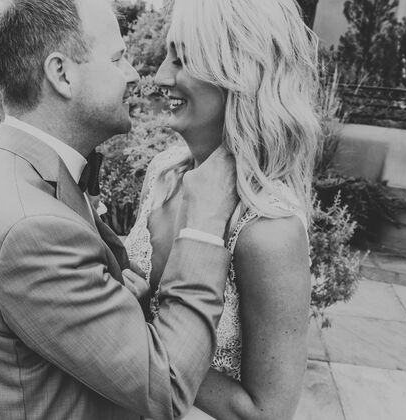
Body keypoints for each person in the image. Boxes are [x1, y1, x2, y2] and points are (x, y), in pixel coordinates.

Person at [0, 0, 239, 419]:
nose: (135, 75)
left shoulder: (20, 173)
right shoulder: (30, 228)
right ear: (62, 74)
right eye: (118, 59)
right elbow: (169, 386)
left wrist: (123, 303)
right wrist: (204, 224)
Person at [125, 0, 320, 418]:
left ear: (238, 74)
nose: (161, 76)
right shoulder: (163, 173)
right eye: (167, 56)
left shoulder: (269, 231)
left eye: (182, 59)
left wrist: (143, 336)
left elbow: (267, 412)